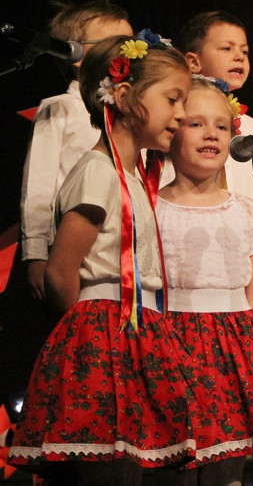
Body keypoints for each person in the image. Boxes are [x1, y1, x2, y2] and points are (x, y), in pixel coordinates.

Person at [8, 31, 213, 484]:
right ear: (123, 96)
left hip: (133, 331)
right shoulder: (98, 172)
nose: (181, 115)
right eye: (172, 99)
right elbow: (62, 272)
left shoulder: (137, 175)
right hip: (105, 332)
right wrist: (88, 336)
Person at [156, 75, 253, 484]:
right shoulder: (151, 204)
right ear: (171, 129)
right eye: (196, 123)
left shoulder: (246, 209)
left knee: (228, 466)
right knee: (175, 461)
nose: (211, 133)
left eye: (222, 126)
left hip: (235, 346)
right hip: (172, 342)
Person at [20, 0, 132, 300]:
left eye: (130, 42)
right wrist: (36, 254)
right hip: (72, 250)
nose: (129, 52)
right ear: (77, 56)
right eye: (116, 42)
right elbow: (38, 186)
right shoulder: (59, 108)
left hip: (122, 254)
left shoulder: (131, 114)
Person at [159, 11, 253, 221]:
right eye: (227, 48)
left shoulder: (251, 127)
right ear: (193, 62)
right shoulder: (176, 115)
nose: (239, 56)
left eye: (244, 51)